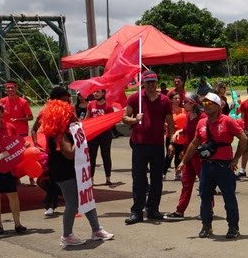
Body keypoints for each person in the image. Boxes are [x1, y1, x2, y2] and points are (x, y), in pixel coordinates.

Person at [36, 87, 114, 246]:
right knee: (73, 203)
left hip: (73, 169)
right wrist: (80, 139)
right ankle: (66, 236)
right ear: (57, 106)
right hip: (64, 171)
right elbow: (69, 153)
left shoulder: (63, 126)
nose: (69, 104)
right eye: (65, 101)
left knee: (87, 197)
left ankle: (96, 230)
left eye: (69, 100)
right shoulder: (59, 131)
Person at [179, 93, 248, 239]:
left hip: (224, 167)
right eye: (204, 103)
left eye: (209, 103)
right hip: (207, 166)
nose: (206, 106)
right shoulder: (201, 123)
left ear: (218, 106)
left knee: (229, 198)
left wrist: (235, 159)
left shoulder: (227, 121)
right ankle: (206, 227)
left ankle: (233, 228)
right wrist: (183, 161)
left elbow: (243, 138)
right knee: (205, 197)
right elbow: (194, 143)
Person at [123, 69, 175, 224]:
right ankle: (137, 211)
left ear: (157, 83)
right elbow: (124, 118)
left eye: (153, 82)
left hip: (157, 145)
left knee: (157, 179)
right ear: (143, 84)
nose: (151, 85)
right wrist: (135, 120)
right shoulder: (135, 98)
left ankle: (152, 209)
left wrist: (171, 142)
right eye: (148, 82)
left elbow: (171, 124)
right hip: (139, 145)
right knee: (138, 179)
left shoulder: (165, 100)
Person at [0, 100, 27, 236]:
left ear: (2, 112)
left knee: (13, 194)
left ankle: (18, 224)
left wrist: (24, 146)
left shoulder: (10, 127)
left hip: (8, 167)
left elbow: (17, 144)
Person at [164, 93, 202, 221]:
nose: (183, 103)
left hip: (198, 155)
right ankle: (180, 211)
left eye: (185, 101)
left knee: (204, 184)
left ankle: (208, 209)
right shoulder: (188, 115)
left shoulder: (202, 117)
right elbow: (187, 130)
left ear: (192, 103)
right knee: (186, 183)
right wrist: (179, 132)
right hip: (188, 154)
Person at [86, 90, 115, 186]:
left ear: (103, 93)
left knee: (106, 156)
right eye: (94, 92)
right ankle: (91, 179)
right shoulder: (90, 104)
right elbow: (87, 118)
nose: (95, 94)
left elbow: (111, 121)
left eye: (98, 92)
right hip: (93, 135)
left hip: (105, 135)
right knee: (92, 157)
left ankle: (108, 178)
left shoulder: (108, 106)